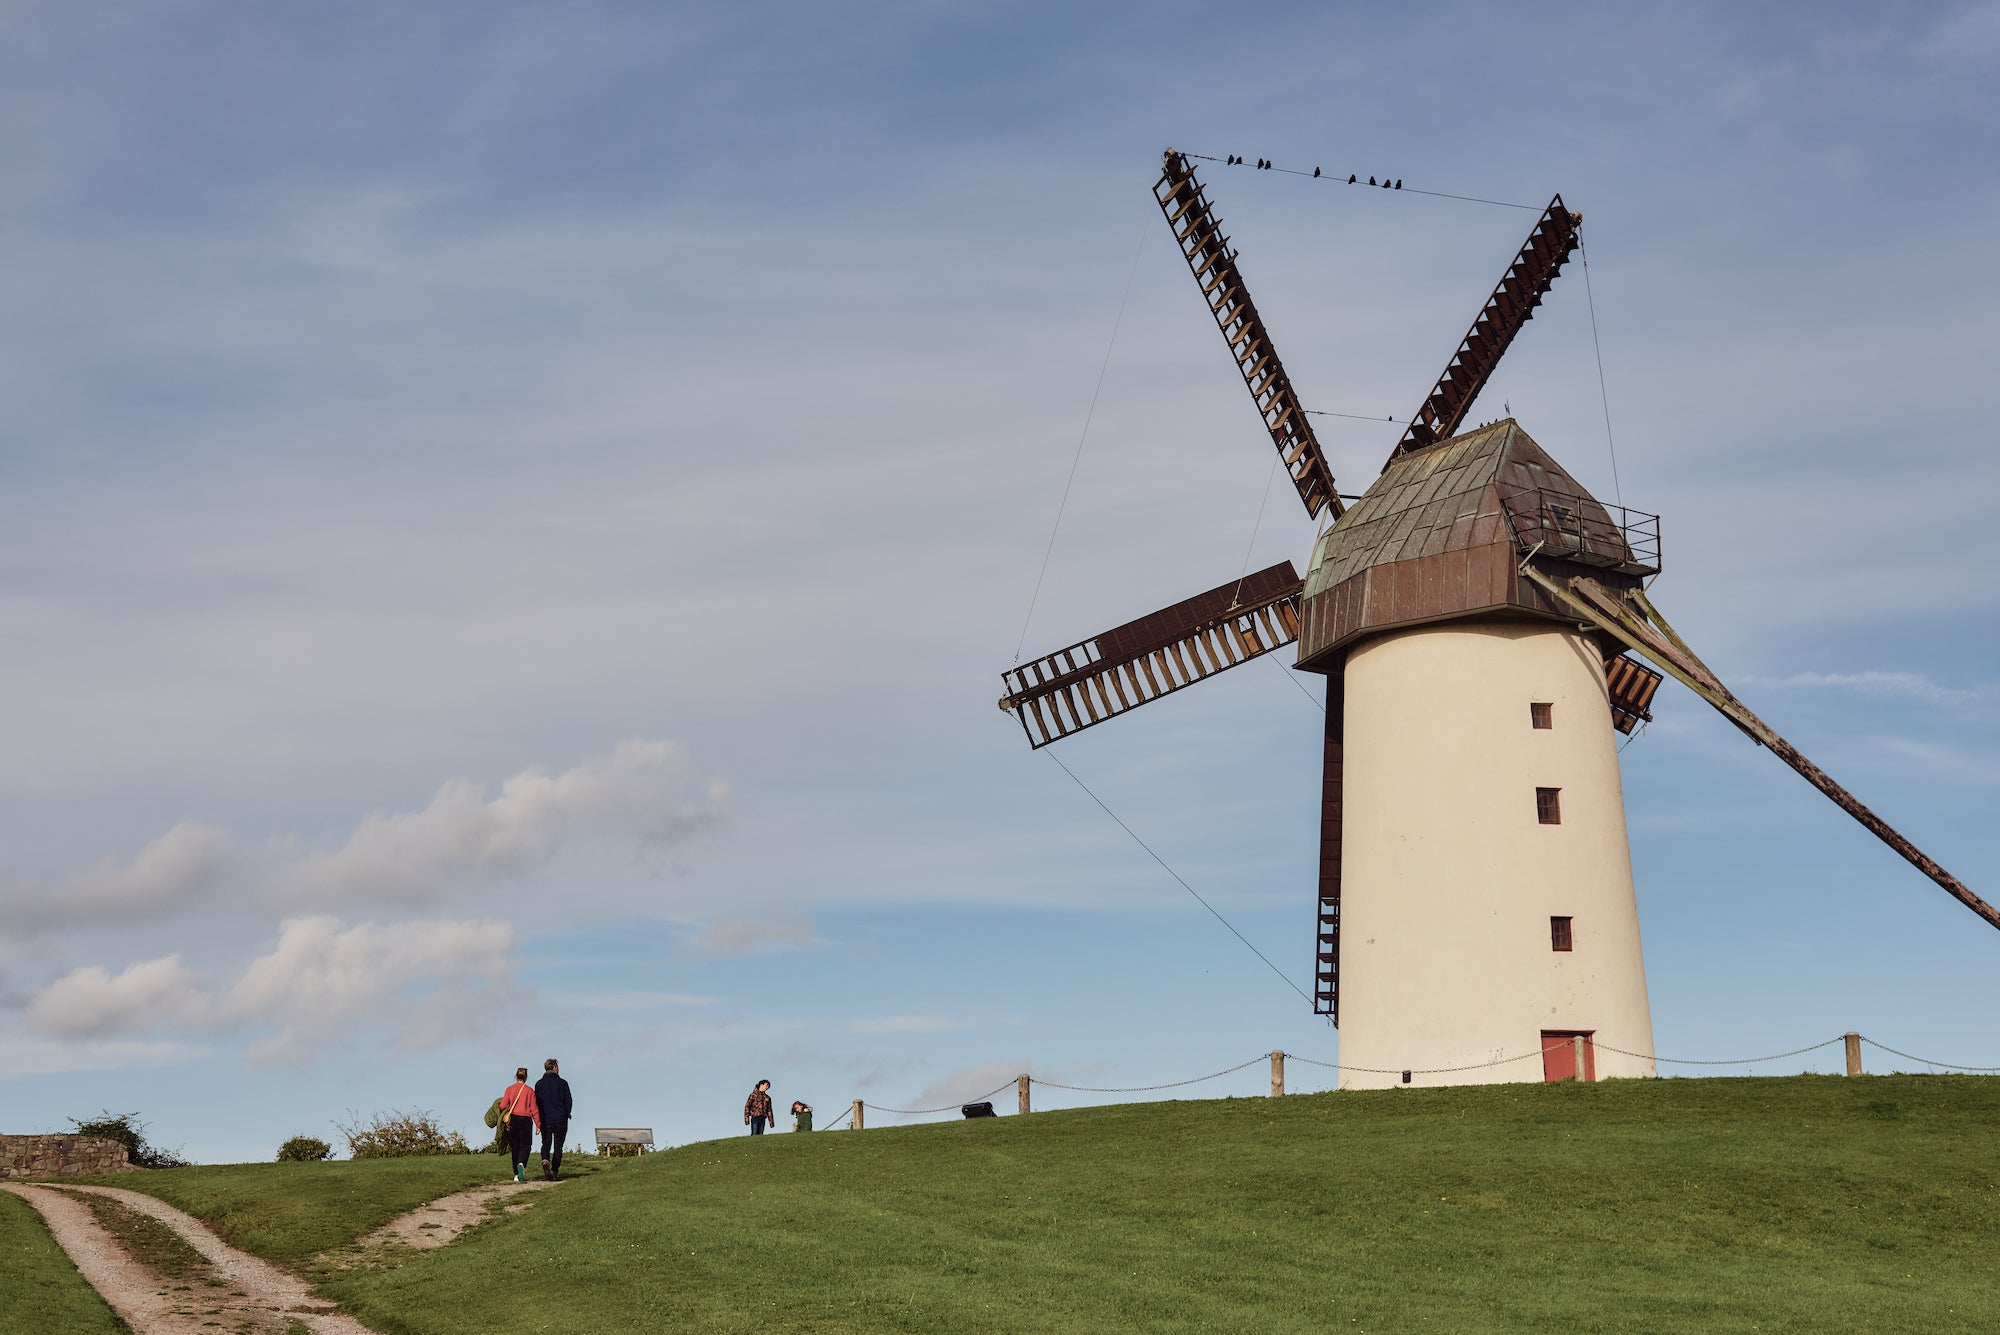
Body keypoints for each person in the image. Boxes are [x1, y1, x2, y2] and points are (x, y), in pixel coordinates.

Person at [498, 1066, 539, 1182]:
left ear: (516, 1076)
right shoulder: (530, 1091)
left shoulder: (509, 1089)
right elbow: (534, 1109)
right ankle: (522, 1164)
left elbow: (502, 1106)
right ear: (526, 1077)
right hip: (526, 1120)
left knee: (515, 1147)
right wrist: (538, 1124)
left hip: (513, 1120)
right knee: (526, 1145)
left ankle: (516, 1174)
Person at [535, 1058, 573, 1181]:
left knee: (546, 1142)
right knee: (558, 1146)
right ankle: (555, 1171)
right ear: (555, 1067)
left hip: (545, 1119)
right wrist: (567, 1113)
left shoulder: (539, 1084)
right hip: (560, 1118)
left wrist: (539, 1118)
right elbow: (569, 1101)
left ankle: (545, 1160)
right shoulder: (563, 1083)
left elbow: (537, 1102)